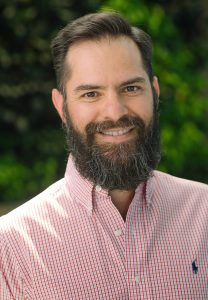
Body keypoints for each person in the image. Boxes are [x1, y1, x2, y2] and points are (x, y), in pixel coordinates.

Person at [0, 12, 207, 300]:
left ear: (155, 93)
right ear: (62, 107)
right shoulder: (11, 247)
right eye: (91, 94)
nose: (115, 111)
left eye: (131, 88)